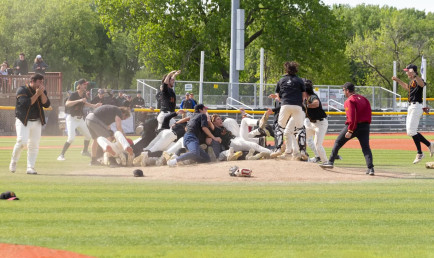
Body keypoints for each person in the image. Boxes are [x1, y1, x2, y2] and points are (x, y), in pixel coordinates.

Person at [320, 82, 375, 175]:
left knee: (338, 142)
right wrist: (366, 125)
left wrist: (350, 130)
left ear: (347, 90)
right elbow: (369, 113)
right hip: (365, 126)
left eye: (344, 90)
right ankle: (371, 168)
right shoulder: (364, 99)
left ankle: (330, 162)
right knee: (366, 148)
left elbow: (352, 117)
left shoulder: (350, 100)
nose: (343, 92)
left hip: (354, 126)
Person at [9, 74, 50, 174]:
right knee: (22, 142)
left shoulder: (42, 91)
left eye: (42, 82)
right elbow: (26, 104)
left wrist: (42, 94)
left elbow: (47, 104)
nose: (41, 84)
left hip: (36, 121)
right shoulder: (22, 90)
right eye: (39, 82)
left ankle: (30, 167)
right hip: (23, 120)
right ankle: (13, 161)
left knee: (34, 145)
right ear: (32, 81)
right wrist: (37, 94)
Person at [392, 64, 434, 164]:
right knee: (410, 132)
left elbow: (422, 84)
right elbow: (408, 88)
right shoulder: (412, 81)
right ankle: (429, 145)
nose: (406, 72)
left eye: (408, 70)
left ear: (413, 71)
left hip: (416, 107)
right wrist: (398, 80)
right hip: (411, 106)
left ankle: (420, 153)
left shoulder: (418, 79)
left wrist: (415, 75)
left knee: (411, 131)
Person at [57, 79, 102, 161]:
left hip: (80, 119)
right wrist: (79, 100)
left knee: (89, 136)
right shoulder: (74, 94)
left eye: (86, 84)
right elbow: (67, 103)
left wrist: (94, 105)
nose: (86, 86)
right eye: (84, 84)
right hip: (72, 119)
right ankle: (61, 155)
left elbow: (84, 103)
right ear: (80, 85)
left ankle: (84, 151)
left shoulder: (84, 94)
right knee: (71, 138)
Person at [274, 61, 307, 160]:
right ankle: (302, 151)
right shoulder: (300, 80)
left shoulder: (281, 80)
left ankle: (278, 148)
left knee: (279, 128)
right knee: (300, 129)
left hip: (285, 105)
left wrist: (283, 100)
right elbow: (304, 95)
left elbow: (278, 96)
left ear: (286, 69)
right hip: (297, 106)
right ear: (296, 69)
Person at [303, 79, 328, 163]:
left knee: (317, 144)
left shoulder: (312, 96)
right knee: (301, 137)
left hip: (320, 124)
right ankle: (303, 155)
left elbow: (316, 103)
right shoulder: (305, 99)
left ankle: (325, 162)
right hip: (311, 124)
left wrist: (306, 105)